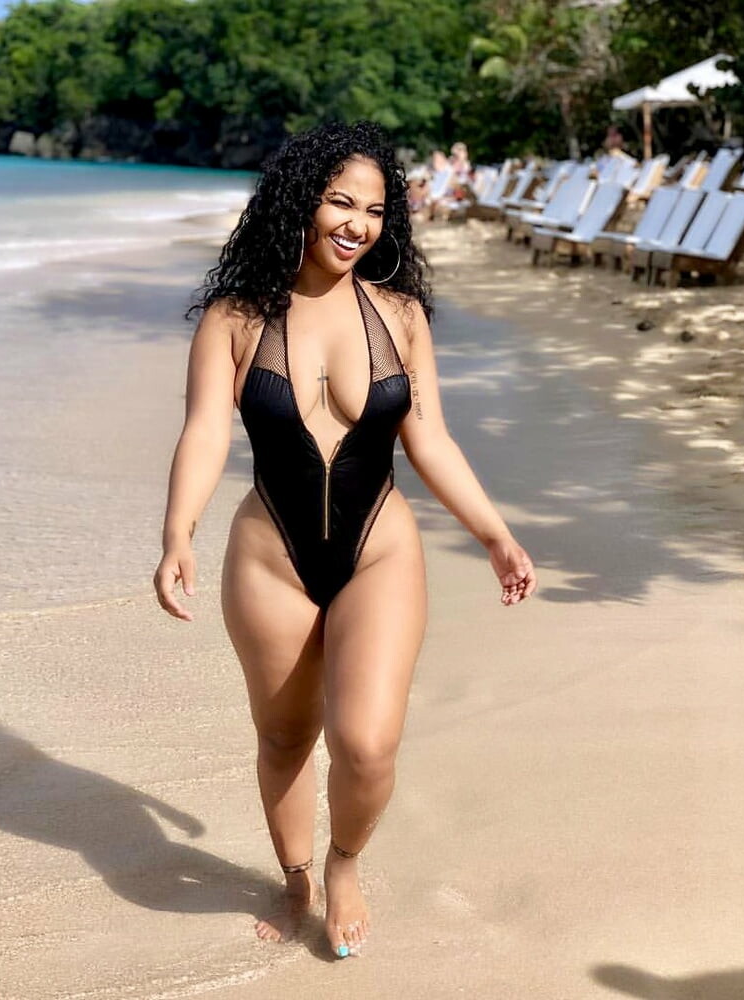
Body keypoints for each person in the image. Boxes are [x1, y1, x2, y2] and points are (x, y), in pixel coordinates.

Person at [153, 120, 537, 960]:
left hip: (378, 549)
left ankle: (344, 863)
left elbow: (428, 438)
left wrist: (495, 535)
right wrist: (178, 534)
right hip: (270, 557)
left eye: (374, 210)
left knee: (366, 744)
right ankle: (294, 878)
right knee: (285, 737)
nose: (357, 224)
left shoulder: (399, 315)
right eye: (339, 202)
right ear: (300, 202)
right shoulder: (235, 318)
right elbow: (204, 432)